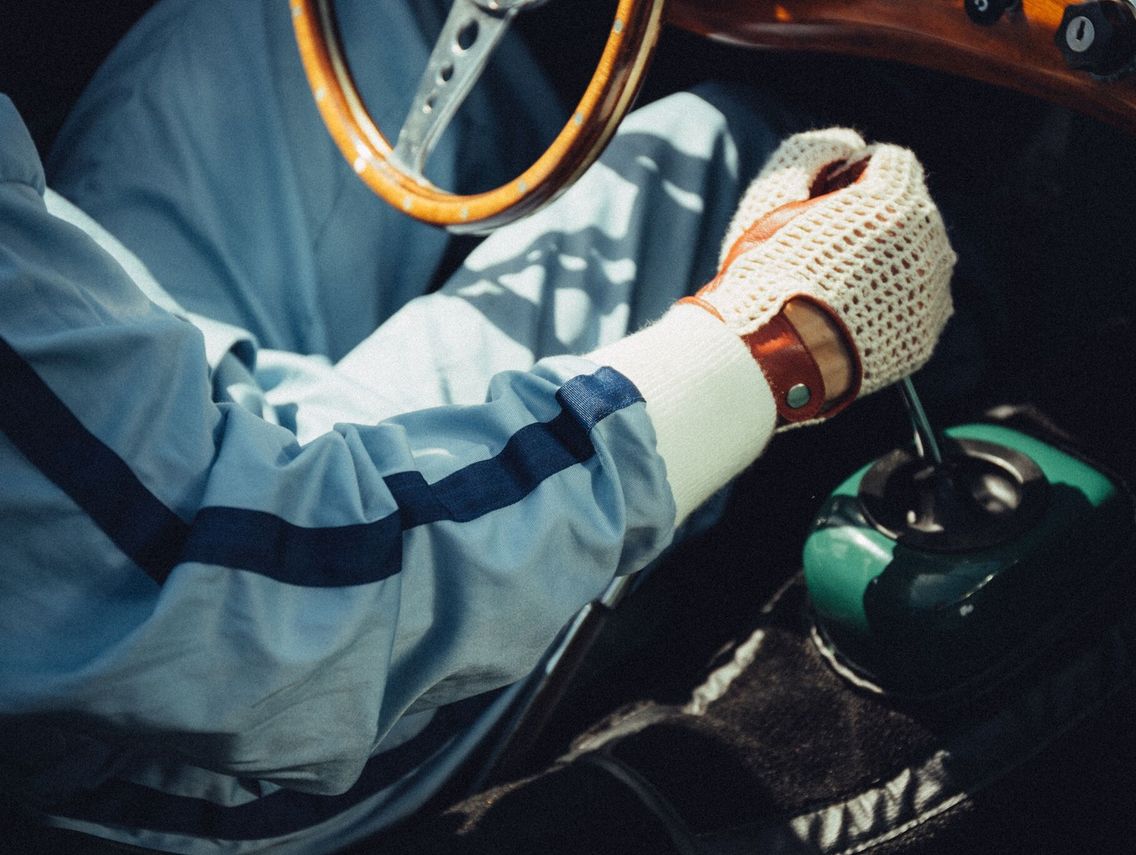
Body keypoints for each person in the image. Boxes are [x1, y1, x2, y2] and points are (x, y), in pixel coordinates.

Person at [0, 0, 955, 850]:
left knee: (337, 17)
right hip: (182, 732)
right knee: (713, 151)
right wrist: (766, 348)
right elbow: (251, 621)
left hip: (115, 399)